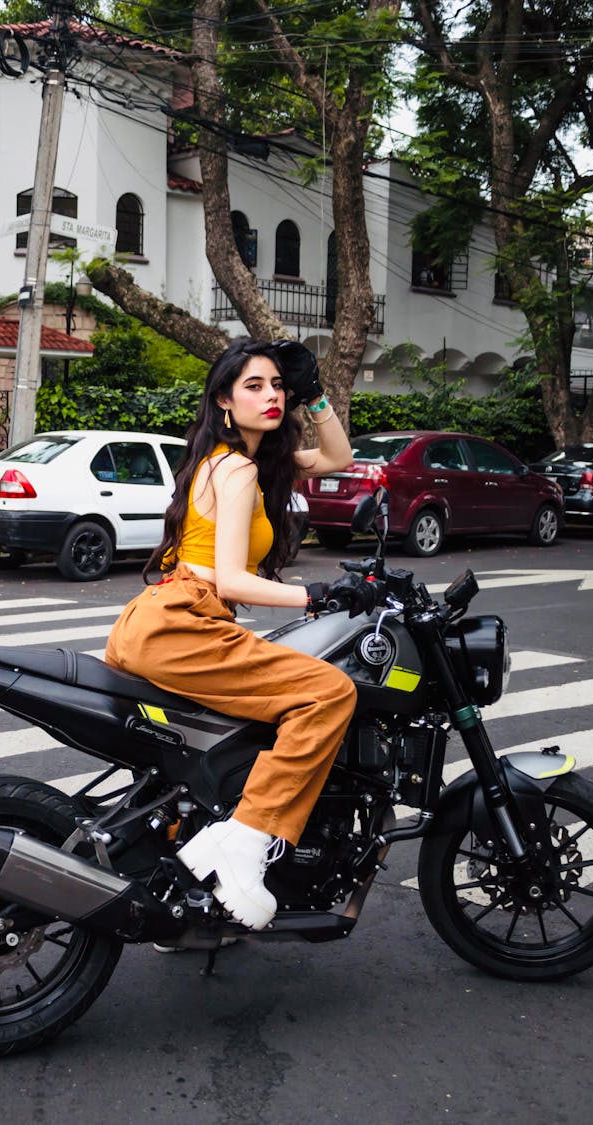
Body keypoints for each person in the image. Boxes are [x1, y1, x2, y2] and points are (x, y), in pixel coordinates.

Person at [105, 337, 378, 931]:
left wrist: (317, 395)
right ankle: (247, 841)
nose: (271, 396)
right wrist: (317, 594)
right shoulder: (235, 467)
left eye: (277, 385)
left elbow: (337, 456)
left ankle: (186, 899)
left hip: (166, 620)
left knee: (202, 757)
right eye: (254, 386)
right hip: (184, 624)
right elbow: (231, 577)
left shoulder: (255, 463)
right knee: (330, 693)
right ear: (225, 401)